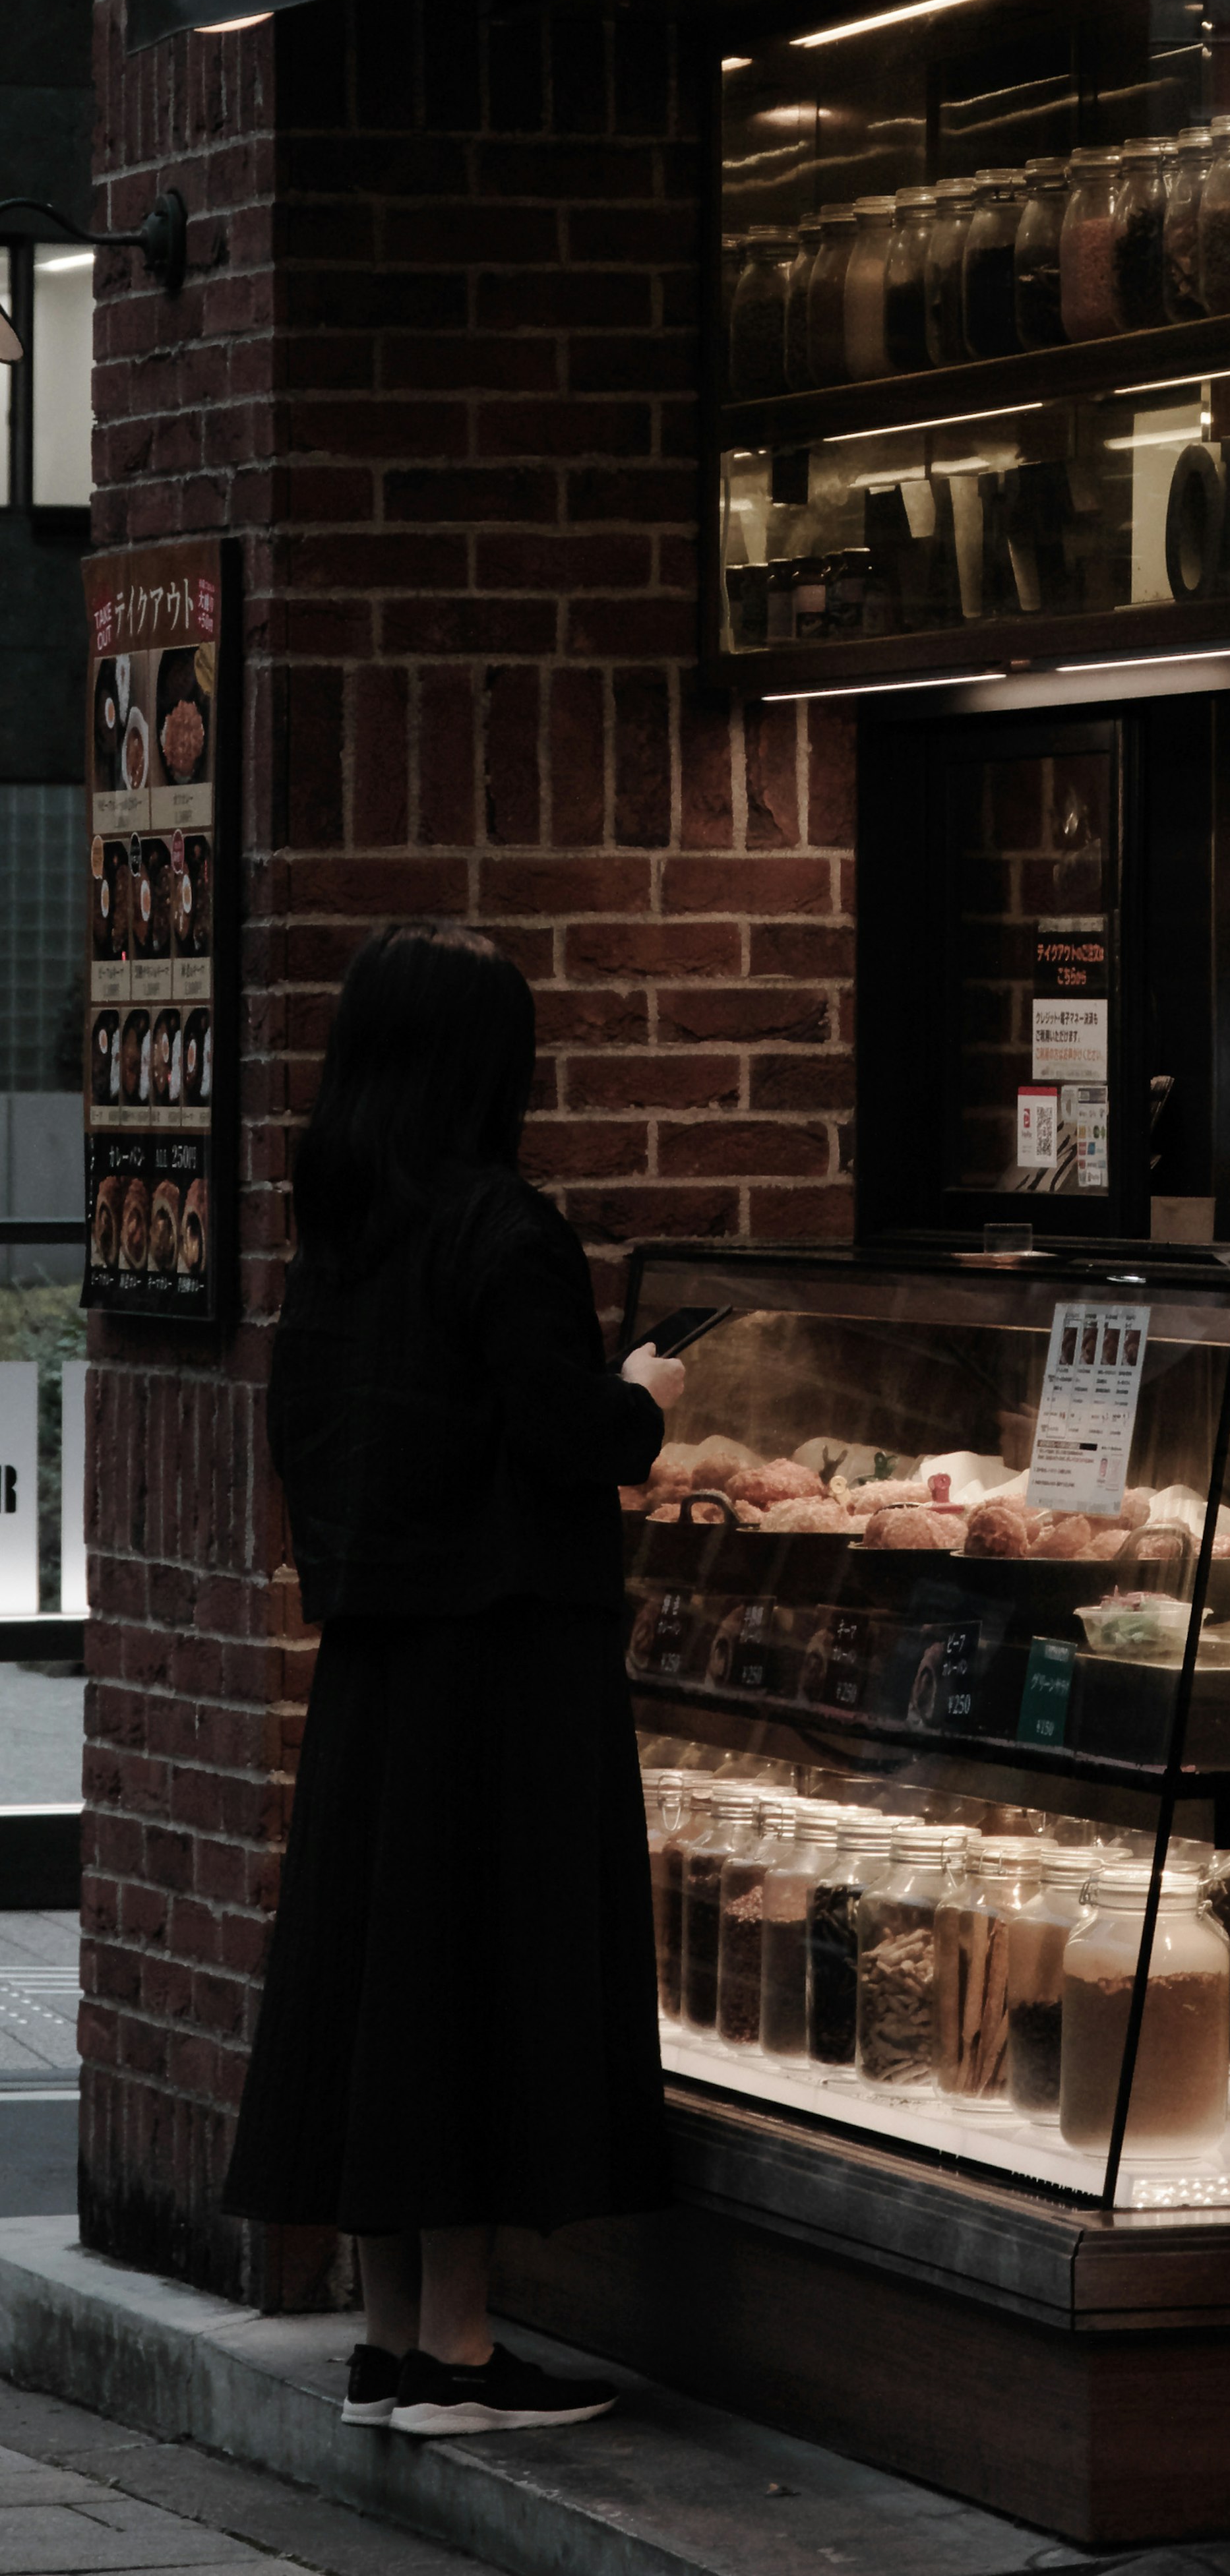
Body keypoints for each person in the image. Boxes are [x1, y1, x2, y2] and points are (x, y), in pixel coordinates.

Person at [221, 922, 687, 2437]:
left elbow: (315, 1445)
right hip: (505, 1676)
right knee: (479, 1980)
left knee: (375, 1987)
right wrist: (647, 1397)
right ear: (493, 1062)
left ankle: (391, 2342)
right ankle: (465, 2350)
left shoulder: (339, 1231)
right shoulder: (504, 1227)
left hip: (376, 1670)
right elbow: (570, 1436)